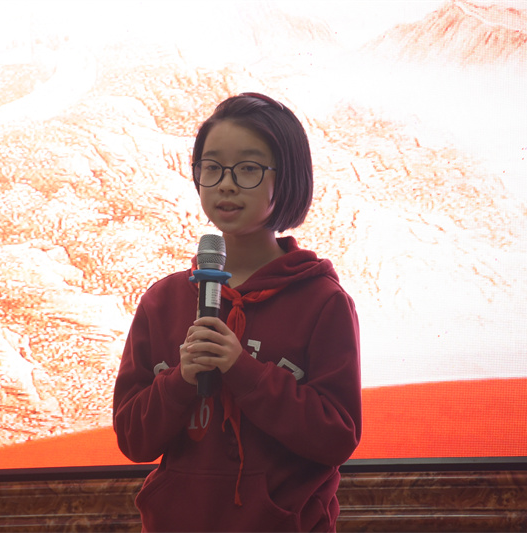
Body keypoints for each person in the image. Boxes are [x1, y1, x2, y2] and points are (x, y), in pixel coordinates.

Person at [113, 93, 361, 532]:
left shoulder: (322, 301)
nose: (226, 184)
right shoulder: (162, 301)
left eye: (248, 168)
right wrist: (182, 379)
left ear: (287, 178)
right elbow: (134, 440)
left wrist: (242, 369)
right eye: (212, 167)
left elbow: (336, 438)